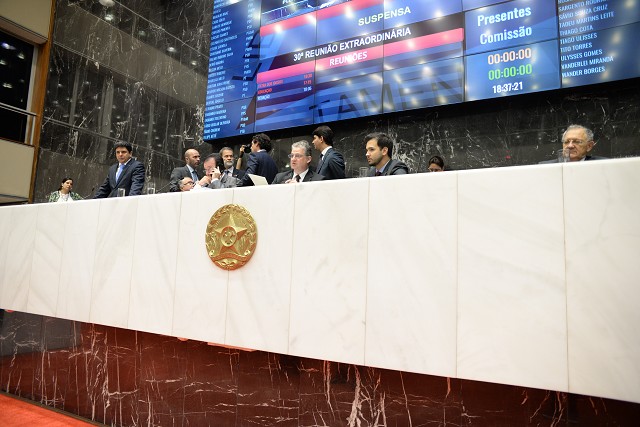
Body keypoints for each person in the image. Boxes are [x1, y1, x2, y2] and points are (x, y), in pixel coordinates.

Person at [540, 125, 607, 163]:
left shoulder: (603, 164)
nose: (570, 146)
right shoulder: (545, 167)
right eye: (566, 142)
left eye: (577, 142)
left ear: (589, 146)